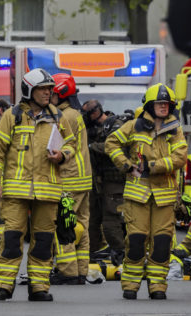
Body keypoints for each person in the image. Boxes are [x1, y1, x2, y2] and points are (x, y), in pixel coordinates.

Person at [0, 68, 76, 302]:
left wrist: (63, 155)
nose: (48, 93)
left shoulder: (58, 116)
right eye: (43, 89)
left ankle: (39, 287)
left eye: (49, 89)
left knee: (44, 242)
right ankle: (4, 286)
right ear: (29, 91)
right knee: (12, 239)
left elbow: (71, 145)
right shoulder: (12, 116)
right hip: (16, 190)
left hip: (47, 190)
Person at [105, 83, 188, 300]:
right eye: (160, 103)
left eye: (167, 104)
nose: (163, 107)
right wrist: (125, 164)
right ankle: (130, 285)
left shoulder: (175, 129)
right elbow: (111, 144)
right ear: (150, 105)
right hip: (137, 195)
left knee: (161, 243)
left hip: (165, 196)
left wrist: (153, 166)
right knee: (136, 240)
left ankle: (157, 286)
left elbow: (180, 158)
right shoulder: (133, 126)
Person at [49, 73, 92, 285]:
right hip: (83, 180)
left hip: (69, 179)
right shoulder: (76, 113)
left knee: (65, 225)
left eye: (52, 92)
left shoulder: (63, 116)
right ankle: (81, 270)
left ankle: (68, 271)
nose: (48, 96)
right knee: (81, 225)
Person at [83, 99, 129, 265]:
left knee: (112, 220)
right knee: (96, 219)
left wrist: (91, 146)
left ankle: (121, 251)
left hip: (115, 181)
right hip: (101, 184)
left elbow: (113, 149)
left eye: (87, 114)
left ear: (95, 112)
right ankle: (98, 252)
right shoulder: (97, 129)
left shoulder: (115, 125)